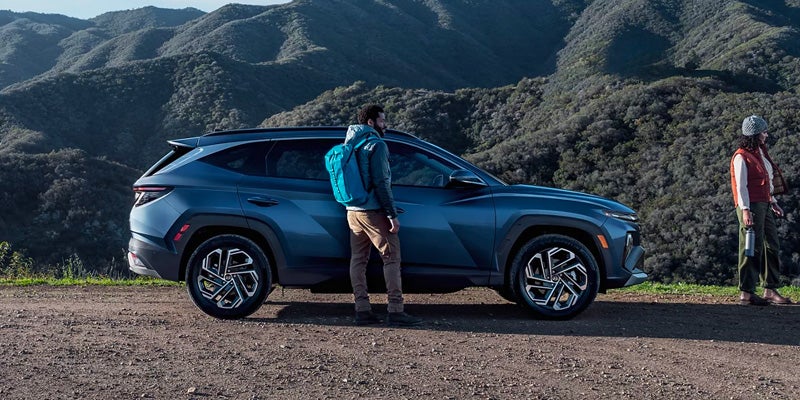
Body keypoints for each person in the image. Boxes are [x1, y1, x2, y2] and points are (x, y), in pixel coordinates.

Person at [344, 104, 423, 326]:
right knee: (391, 258)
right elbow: (381, 182)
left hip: (352, 211)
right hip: (373, 211)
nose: (384, 125)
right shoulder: (376, 145)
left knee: (358, 260)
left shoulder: (350, 144)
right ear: (371, 122)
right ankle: (396, 310)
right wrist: (391, 215)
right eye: (382, 121)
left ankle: (362, 310)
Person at [730, 115, 793, 306]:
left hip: (764, 204)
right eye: (764, 132)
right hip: (750, 206)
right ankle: (747, 293)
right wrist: (746, 210)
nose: (766, 135)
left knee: (771, 245)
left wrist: (772, 201)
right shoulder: (741, 156)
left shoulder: (760, 152)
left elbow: (766, 181)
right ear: (755, 134)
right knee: (750, 248)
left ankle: (769, 289)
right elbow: (741, 187)